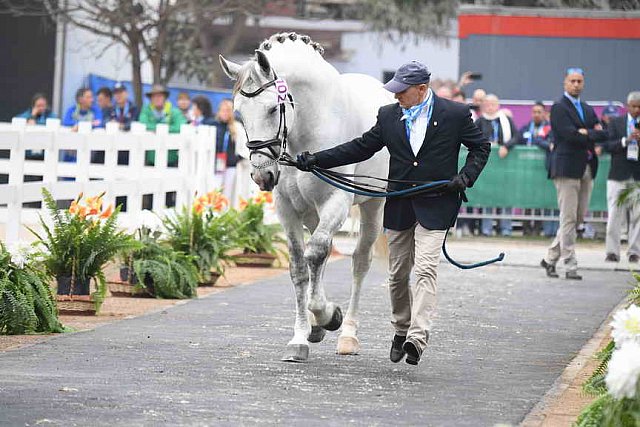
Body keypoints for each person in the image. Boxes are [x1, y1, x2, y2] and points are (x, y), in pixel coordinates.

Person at [295, 60, 490, 366]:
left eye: (402, 91)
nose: (396, 96)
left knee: (426, 269)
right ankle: (401, 328)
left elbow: (481, 147)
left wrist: (465, 177)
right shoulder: (389, 115)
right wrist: (316, 159)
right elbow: (360, 148)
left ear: (422, 89)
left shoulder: (454, 114)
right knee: (397, 275)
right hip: (399, 205)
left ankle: (417, 336)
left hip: (437, 203)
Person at [540, 67, 608, 280]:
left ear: (583, 83)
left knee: (577, 218)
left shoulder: (587, 108)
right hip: (566, 168)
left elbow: (603, 134)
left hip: (586, 167)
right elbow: (568, 135)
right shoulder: (559, 107)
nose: (576, 84)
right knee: (568, 217)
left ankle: (550, 258)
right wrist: (589, 133)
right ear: (565, 83)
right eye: (572, 81)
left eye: (579, 81)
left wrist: (586, 133)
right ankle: (570, 263)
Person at [503, 102, 558, 237]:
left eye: (539, 112)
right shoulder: (526, 128)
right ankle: (526, 228)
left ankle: (538, 229)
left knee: (541, 199)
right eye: (534, 112)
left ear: (544, 113)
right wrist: (506, 146)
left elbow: (551, 143)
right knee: (527, 199)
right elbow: (516, 138)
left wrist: (545, 144)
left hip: (543, 171)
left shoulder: (549, 128)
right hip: (527, 171)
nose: (536, 114)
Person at [603, 91, 640, 263]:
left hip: (637, 176)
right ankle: (612, 251)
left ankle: (634, 251)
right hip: (618, 175)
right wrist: (626, 140)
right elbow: (608, 146)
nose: (637, 110)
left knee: (637, 215)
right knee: (614, 214)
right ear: (627, 106)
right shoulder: (616, 123)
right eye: (634, 106)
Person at [475, 94, 518, 236]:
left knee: (506, 196)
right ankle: (486, 229)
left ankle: (506, 228)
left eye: (493, 103)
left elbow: (517, 137)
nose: (490, 106)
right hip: (487, 167)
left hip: (505, 165)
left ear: (498, 105)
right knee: (488, 197)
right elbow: (473, 138)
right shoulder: (480, 121)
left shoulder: (506, 120)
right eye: (487, 104)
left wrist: (506, 146)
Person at [213, 99, 249, 204]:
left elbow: (245, 145)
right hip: (217, 165)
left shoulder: (237, 127)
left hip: (231, 166)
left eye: (228, 111)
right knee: (216, 191)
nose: (225, 113)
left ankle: (225, 214)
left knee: (228, 193)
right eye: (223, 110)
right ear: (219, 111)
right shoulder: (214, 126)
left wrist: (237, 158)